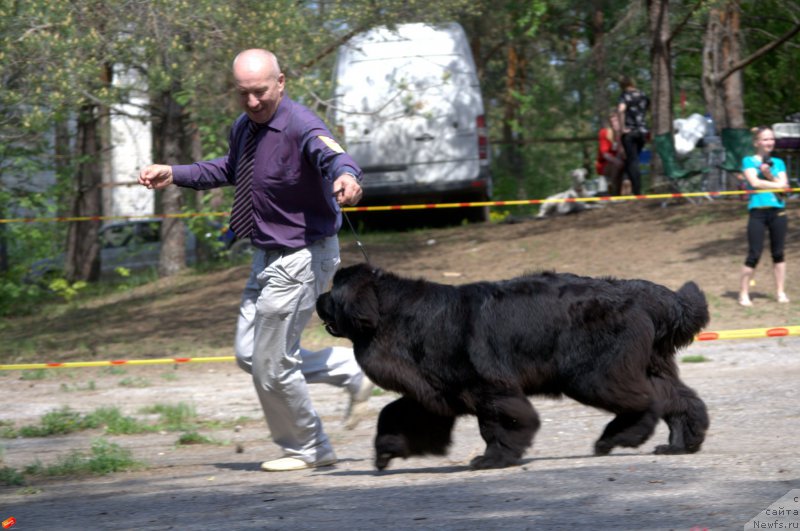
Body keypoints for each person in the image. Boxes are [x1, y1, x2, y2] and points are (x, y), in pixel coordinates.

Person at [138, 49, 374, 472]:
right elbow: (230, 168)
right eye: (243, 93)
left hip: (303, 256)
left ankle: (308, 448)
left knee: (272, 362)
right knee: (250, 354)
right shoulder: (244, 128)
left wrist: (347, 176)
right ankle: (349, 368)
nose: (252, 102)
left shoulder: (302, 124)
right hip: (266, 255)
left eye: (260, 92)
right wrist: (174, 173)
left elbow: (334, 154)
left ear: (281, 82)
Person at [738, 126, 790, 306]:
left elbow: (784, 189)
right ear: (756, 142)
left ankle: (780, 292)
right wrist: (777, 184)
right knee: (754, 253)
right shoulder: (748, 161)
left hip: (778, 211)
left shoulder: (779, 163)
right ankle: (743, 293)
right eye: (765, 139)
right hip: (758, 211)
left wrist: (767, 175)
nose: (769, 142)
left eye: (771, 139)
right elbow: (754, 182)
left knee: (779, 253)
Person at [617, 76, 650, 195]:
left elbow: (621, 110)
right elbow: (648, 109)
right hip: (642, 132)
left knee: (633, 161)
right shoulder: (643, 95)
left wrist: (622, 129)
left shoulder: (624, 95)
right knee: (632, 159)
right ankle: (626, 180)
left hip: (629, 132)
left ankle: (637, 191)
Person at [595, 110, 625, 195]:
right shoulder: (605, 133)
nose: (614, 123)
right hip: (605, 164)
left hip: (621, 163)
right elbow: (604, 154)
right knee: (617, 163)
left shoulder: (625, 134)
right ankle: (611, 187)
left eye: (616, 120)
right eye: (612, 121)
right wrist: (616, 160)